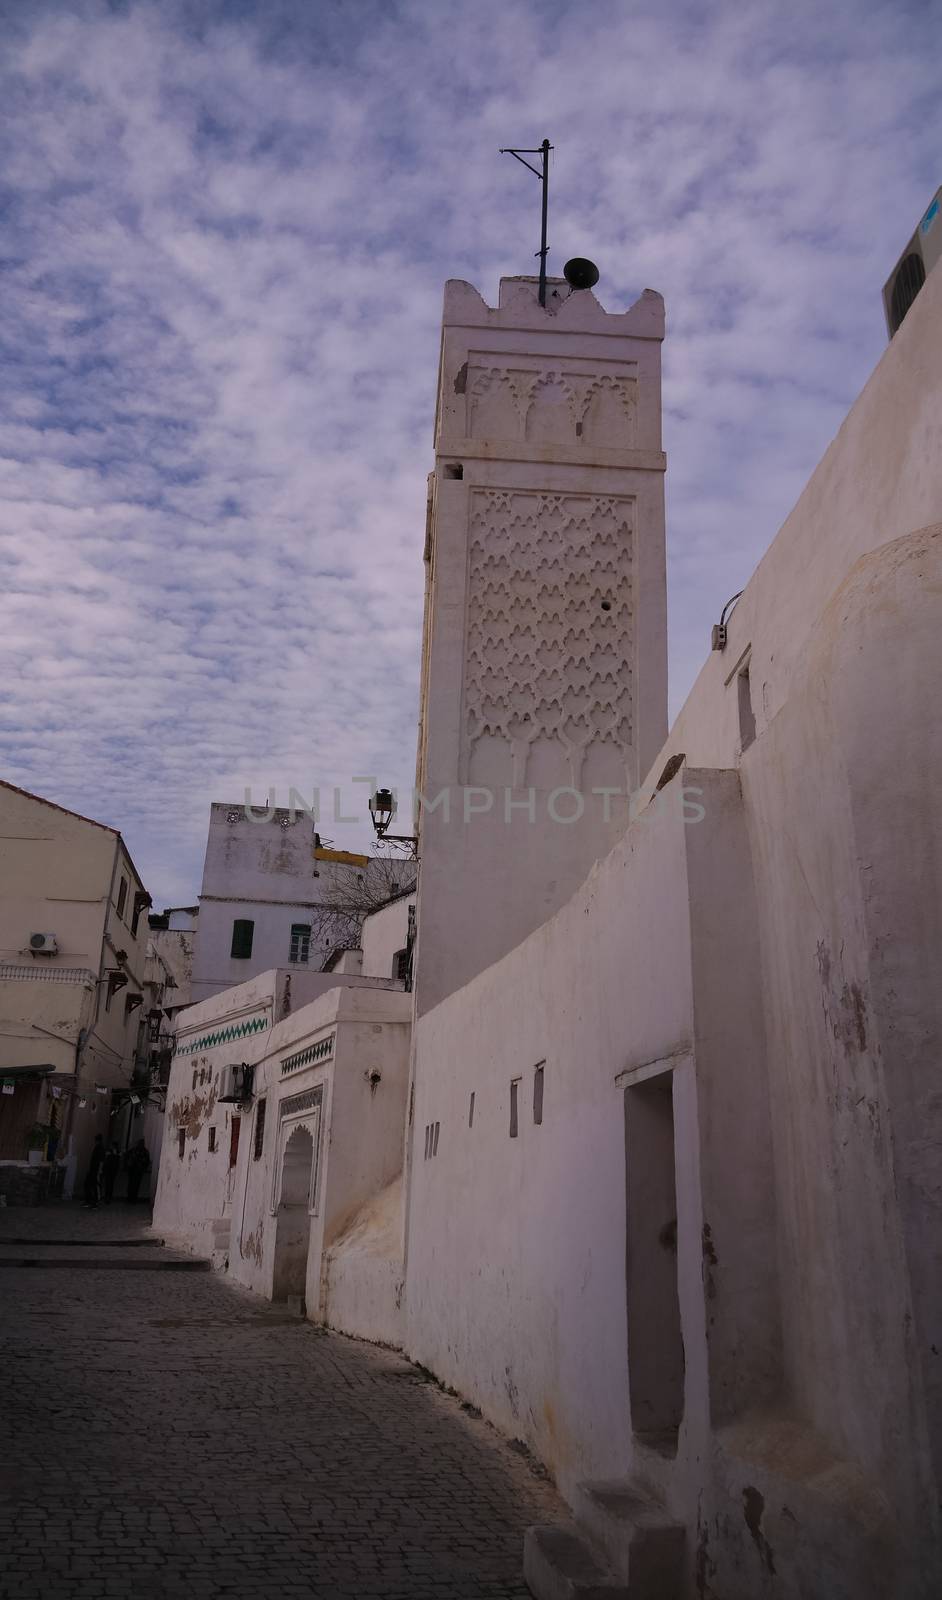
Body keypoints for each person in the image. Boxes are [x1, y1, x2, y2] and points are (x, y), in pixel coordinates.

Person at [125, 1138, 151, 1204]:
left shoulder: (144, 1151)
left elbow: (146, 1161)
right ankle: (130, 1199)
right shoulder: (135, 1150)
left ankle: (132, 1199)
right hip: (133, 1170)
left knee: (135, 1185)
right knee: (132, 1185)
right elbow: (127, 1157)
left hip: (138, 1171)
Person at [83, 1135, 104, 1209]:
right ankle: (88, 1201)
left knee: (95, 1186)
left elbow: (101, 1160)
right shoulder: (97, 1147)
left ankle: (96, 1202)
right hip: (92, 1169)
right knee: (87, 1184)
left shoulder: (100, 1148)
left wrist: (99, 1170)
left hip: (96, 1170)